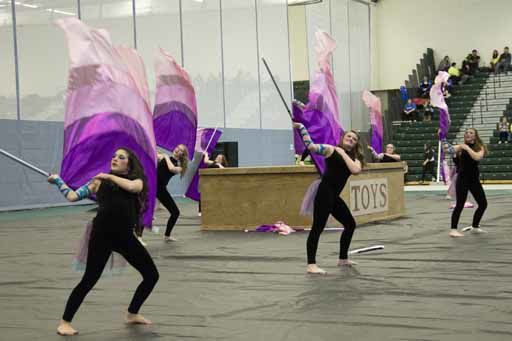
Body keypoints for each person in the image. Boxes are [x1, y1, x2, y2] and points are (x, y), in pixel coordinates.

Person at [48, 148, 159, 336]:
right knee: (89, 280)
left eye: (121, 157)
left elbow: (133, 188)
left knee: (151, 275)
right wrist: (58, 181)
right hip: (102, 237)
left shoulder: (136, 181)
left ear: (129, 164)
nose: (115, 159)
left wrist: (108, 177)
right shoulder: (98, 182)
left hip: (125, 238)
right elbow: (73, 196)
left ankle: (132, 313)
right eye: (114, 156)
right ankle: (64, 322)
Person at [293, 122, 364, 275]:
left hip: (334, 196)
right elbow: (311, 147)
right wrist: (302, 128)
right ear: (343, 137)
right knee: (318, 227)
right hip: (324, 192)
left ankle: (342, 259)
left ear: (356, 143)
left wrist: (343, 152)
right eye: (348, 136)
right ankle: (311, 265)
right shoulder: (330, 150)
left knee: (350, 224)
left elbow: (355, 170)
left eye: (354, 139)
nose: (351, 139)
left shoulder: (355, 159)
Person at [443, 128, 488, 237]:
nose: (468, 134)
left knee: (483, 204)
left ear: (475, 136)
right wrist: (445, 145)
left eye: (471, 133)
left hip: (474, 180)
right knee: (460, 204)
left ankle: (475, 226)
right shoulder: (460, 147)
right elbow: (448, 150)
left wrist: (466, 148)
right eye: (466, 132)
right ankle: (453, 230)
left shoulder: (479, 147)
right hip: (462, 179)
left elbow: (477, 157)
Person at [157, 144, 189, 242]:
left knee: (175, 212)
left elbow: (171, 168)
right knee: (145, 211)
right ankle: (139, 236)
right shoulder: (163, 157)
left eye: (180, 150)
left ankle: (167, 236)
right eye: (177, 148)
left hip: (161, 189)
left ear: (182, 155)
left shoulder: (179, 167)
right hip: (152, 185)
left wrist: (166, 157)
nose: (177, 150)